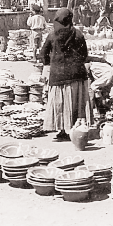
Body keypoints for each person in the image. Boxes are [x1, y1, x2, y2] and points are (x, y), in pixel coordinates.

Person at [41, 8, 92, 141]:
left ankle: (62, 130)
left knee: (60, 103)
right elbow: (85, 54)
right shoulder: (78, 34)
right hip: (76, 73)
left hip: (58, 74)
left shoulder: (52, 35)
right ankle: (75, 129)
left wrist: (49, 63)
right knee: (75, 102)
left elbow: (43, 53)